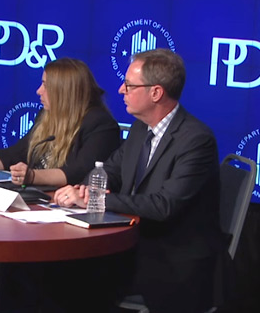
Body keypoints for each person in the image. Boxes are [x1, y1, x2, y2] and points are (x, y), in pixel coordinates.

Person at [54, 49, 223, 313]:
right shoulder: (140, 127)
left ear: (156, 93)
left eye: (130, 85)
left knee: (75, 281)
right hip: (136, 248)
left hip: (173, 262)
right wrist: (86, 189)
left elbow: (163, 206)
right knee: (56, 273)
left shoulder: (196, 140)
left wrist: (95, 199)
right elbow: (111, 169)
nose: (121, 90)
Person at [0, 57, 119, 187]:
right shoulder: (47, 115)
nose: (38, 91)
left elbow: (79, 172)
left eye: (46, 86)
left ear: (64, 92)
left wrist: (32, 176)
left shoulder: (100, 125)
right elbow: (15, 153)